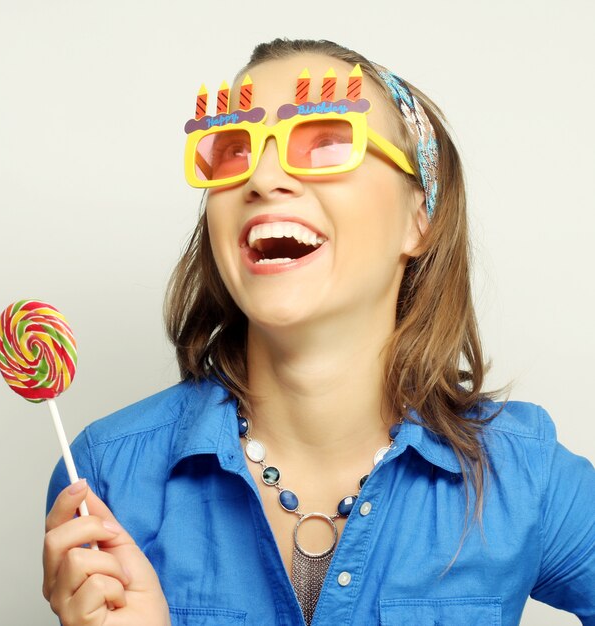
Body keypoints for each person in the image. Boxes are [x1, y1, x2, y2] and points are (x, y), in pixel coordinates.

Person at [42, 38, 595, 626]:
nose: (263, 176)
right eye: (234, 148)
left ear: (420, 218)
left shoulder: (524, 475)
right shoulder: (103, 477)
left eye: (328, 141)